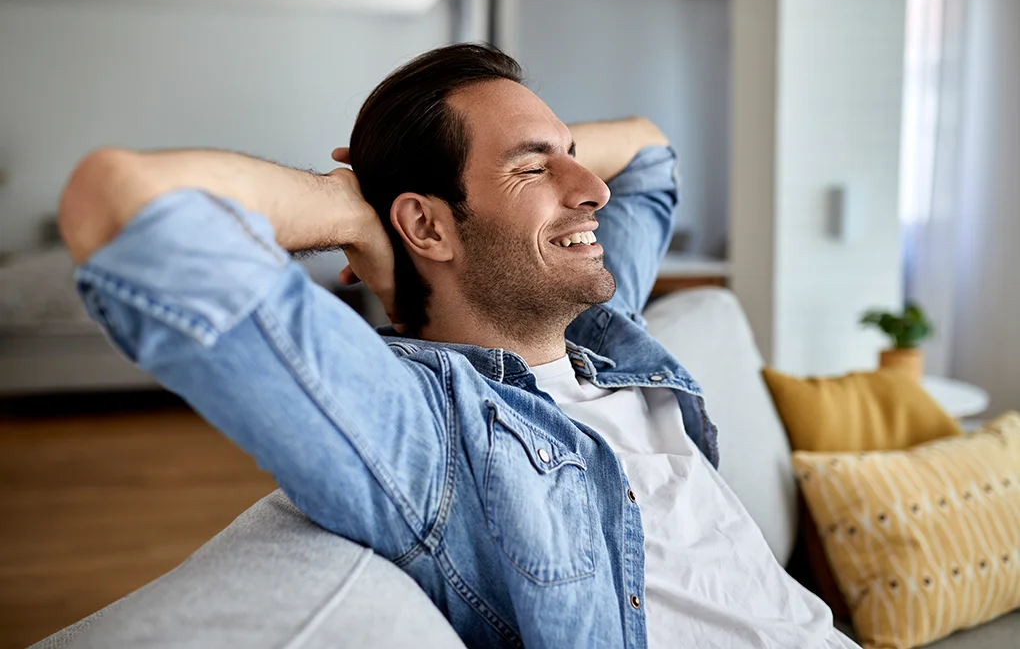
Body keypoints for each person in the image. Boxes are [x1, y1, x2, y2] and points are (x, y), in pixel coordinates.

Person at [59, 43, 857, 649]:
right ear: (427, 224)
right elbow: (119, 204)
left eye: (572, 153)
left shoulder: (603, 333)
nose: (593, 191)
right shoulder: (428, 432)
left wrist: (539, 153)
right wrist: (343, 209)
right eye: (532, 168)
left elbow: (648, 153)